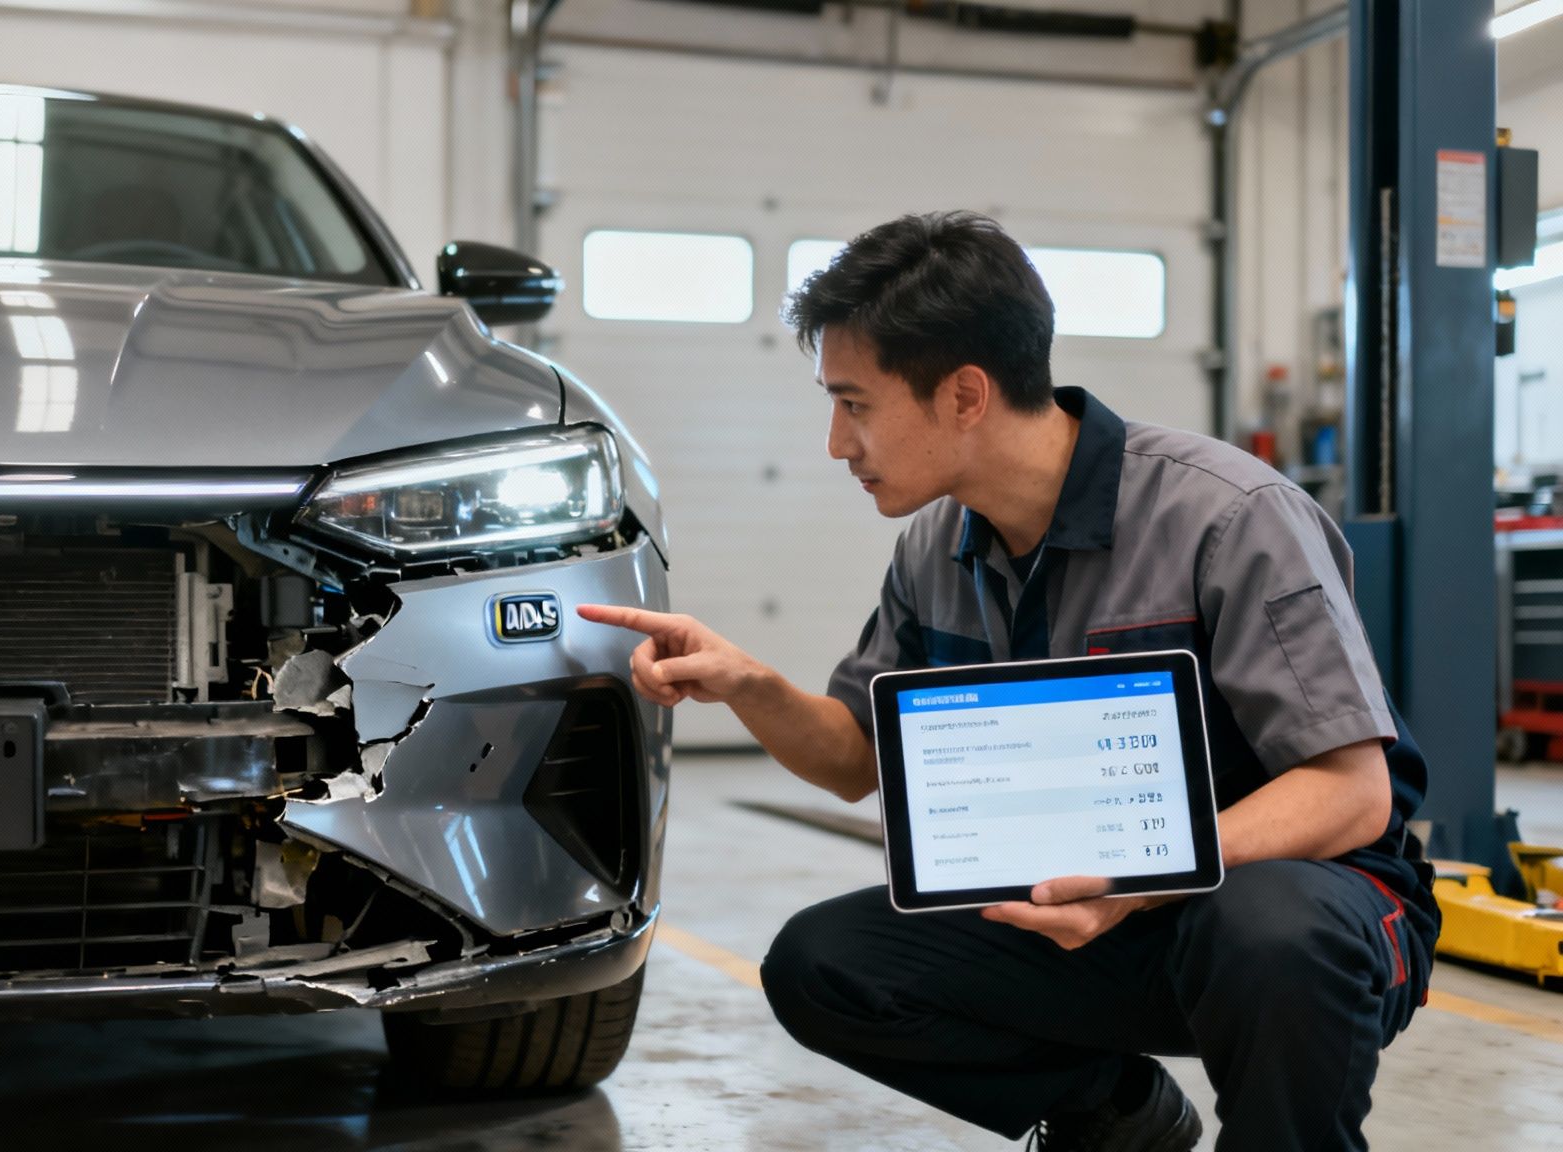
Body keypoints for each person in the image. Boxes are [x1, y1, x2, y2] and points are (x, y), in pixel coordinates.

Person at [580, 211, 1436, 1152]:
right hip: (1093, 911)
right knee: (826, 963)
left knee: (1267, 926)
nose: (835, 443)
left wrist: (1140, 876)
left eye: (855, 403)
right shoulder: (934, 548)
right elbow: (855, 761)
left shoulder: (1229, 518)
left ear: (965, 396)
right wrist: (748, 683)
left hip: (1307, 914)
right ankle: (1115, 1116)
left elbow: (1352, 795)